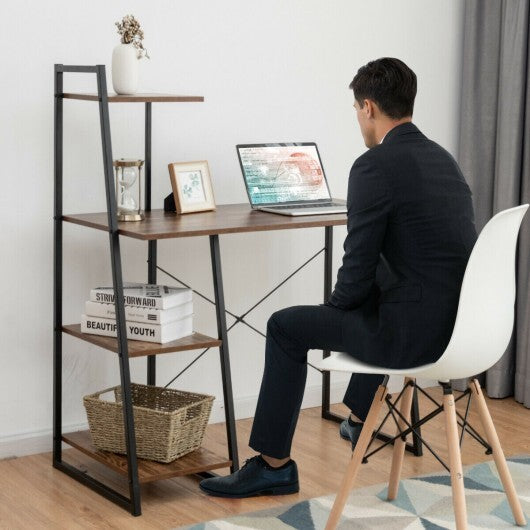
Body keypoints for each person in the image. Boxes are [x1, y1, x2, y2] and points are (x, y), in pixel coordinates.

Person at [200, 57, 477, 498]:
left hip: (411, 341)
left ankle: (274, 467)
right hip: (466, 332)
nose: (358, 120)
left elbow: (355, 269)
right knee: (377, 294)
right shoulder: (444, 160)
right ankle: (357, 418)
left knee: (286, 326)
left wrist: (330, 313)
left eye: (355, 110)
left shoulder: (374, 165)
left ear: (368, 107)